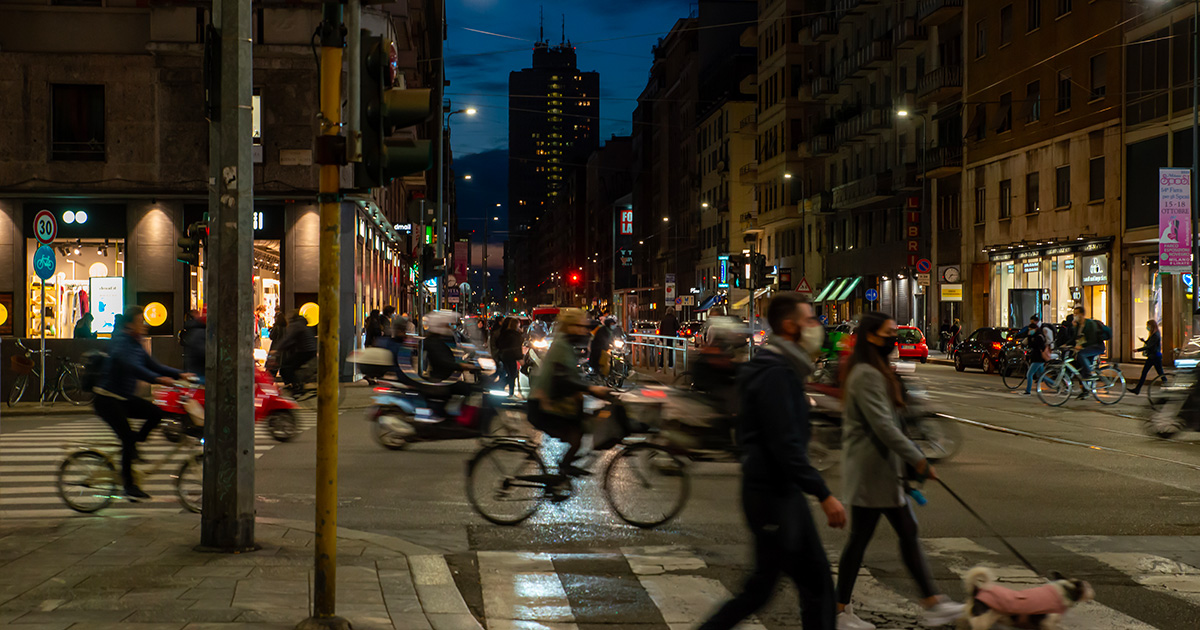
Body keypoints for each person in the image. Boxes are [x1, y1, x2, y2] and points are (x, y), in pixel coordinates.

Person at [699, 294, 846, 630]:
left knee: (816, 584)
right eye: (810, 320)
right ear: (790, 325)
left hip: (782, 493)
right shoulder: (777, 374)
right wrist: (824, 494)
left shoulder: (781, 367)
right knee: (763, 590)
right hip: (773, 496)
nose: (816, 327)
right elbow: (785, 444)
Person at [836, 312, 963, 630]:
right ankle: (839, 612)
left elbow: (893, 423)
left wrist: (913, 459)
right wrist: (919, 460)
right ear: (870, 337)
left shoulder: (877, 369)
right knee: (866, 539)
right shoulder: (866, 373)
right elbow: (883, 426)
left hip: (882, 471)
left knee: (901, 533)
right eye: (889, 332)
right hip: (872, 470)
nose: (895, 338)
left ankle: (932, 603)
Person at [93, 305, 193, 500]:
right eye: (141, 321)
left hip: (123, 398)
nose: (145, 325)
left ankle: (135, 444)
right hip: (107, 399)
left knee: (155, 413)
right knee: (127, 438)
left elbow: (153, 365)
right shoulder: (121, 342)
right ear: (130, 324)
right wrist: (158, 379)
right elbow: (133, 368)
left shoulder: (135, 342)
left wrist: (179, 374)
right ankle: (129, 485)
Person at [529, 308, 609, 477]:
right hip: (543, 407)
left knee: (580, 427)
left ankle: (564, 468)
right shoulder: (560, 346)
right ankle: (563, 470)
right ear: (569, 327)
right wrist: (590, 389)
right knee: (578, 431)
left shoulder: (565, 344)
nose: (583, 330)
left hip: (552, 403)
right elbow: (563, 379)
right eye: (579, 326)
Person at [274, 311, 317, 393]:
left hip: (305, 351)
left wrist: (277, 349)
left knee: (285, 367)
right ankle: (297, 384)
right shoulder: (302, 324)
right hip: (310, 351)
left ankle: (296, 385)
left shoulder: (296, 325)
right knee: (292, 365)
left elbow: (288, 339)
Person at [424, 310, 470, 382]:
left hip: (449, 377)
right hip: (440, 380)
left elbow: (465, 343)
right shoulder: (433, 342)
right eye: (445, 325)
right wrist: (462, 366)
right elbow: (444, 361)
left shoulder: (447, 337)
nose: (448, 327)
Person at [1072, 306, 1105, 388]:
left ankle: (1090, 373)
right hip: (1087, 348)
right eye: (1074, 314)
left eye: (1076, 314)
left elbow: (1092, 340)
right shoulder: (1079, 326)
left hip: (1096, 347)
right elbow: (1075, 338)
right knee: (1081, 368)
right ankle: (1085, 390)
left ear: (1082, 314)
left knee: (1081, 355)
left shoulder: (1089, 324)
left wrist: (1081, 346)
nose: (1075, 316)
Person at [1130, 319, 1164, 396]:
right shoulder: (1154, 334)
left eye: (1148, 326)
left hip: (1154, 357)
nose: (1147, 327)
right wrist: (1144, 341)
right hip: (1154, 357)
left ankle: (1137, 389)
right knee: (1158, 373)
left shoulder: (1155, 335)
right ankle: (1137, 389)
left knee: (1154, 373)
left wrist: (1137, 350)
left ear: (1152, 326)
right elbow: (1149, 344)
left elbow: (1150, 346)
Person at [1020, 322, 1052, 396]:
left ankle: (1028, 391)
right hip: (1037, 358)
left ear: (1035, 329)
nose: (1030, 331)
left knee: (1029, 374)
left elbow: (1035, 346)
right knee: (1041, 376)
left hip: (1038, 359)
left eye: (1031, 329)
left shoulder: (1039, 336)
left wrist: (1029, 337)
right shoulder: (1036, 335)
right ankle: (1056, 385)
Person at [496, 317, 524, 397]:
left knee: (510, 374)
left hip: (504, 356)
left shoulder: (504, 333)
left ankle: (502, 387)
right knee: (513, 375)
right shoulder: (516, 335)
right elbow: (517, 348)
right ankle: (504, 388)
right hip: (511, 357)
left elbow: (498, 344)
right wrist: (520, 358)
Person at [179, 310, 206, 380]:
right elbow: (202, 351)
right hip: (199, 373)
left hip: (195, 371)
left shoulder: (193, 329)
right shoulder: (200, 332)